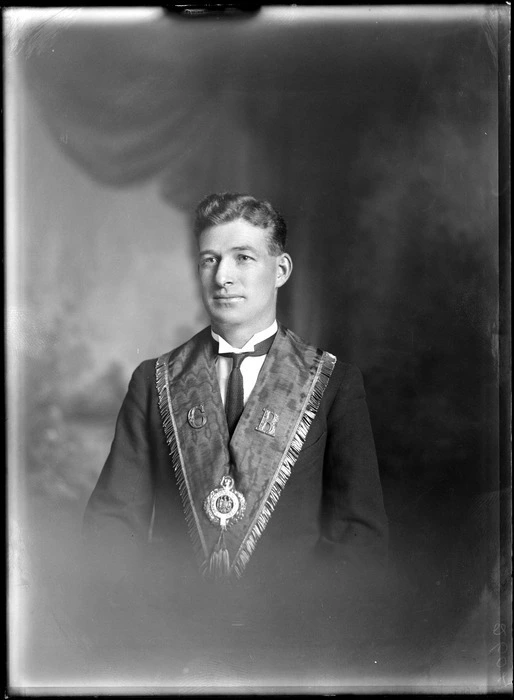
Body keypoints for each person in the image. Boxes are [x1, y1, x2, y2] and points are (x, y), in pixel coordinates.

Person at [82, 192, 388, 658]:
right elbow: (112, 525)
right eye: (210, 259)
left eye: (243, 258)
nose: (222, 277)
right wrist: (141, 626)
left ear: (280, 270)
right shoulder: (155, 381)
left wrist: (312, 636)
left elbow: (358, 536)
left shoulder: (333, 383)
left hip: (296, 645)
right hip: (171, 646)